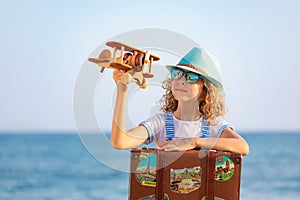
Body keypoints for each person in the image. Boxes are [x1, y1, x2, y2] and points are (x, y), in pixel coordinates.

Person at [111, 47, 249, 156]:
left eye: (191, 77)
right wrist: (122, 90)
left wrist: (194, 142)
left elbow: (242, 146)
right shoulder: (160, 123)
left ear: (206, 88)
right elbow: (120, 142)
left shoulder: (213, 124)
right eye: (177, 74)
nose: (181, 81)